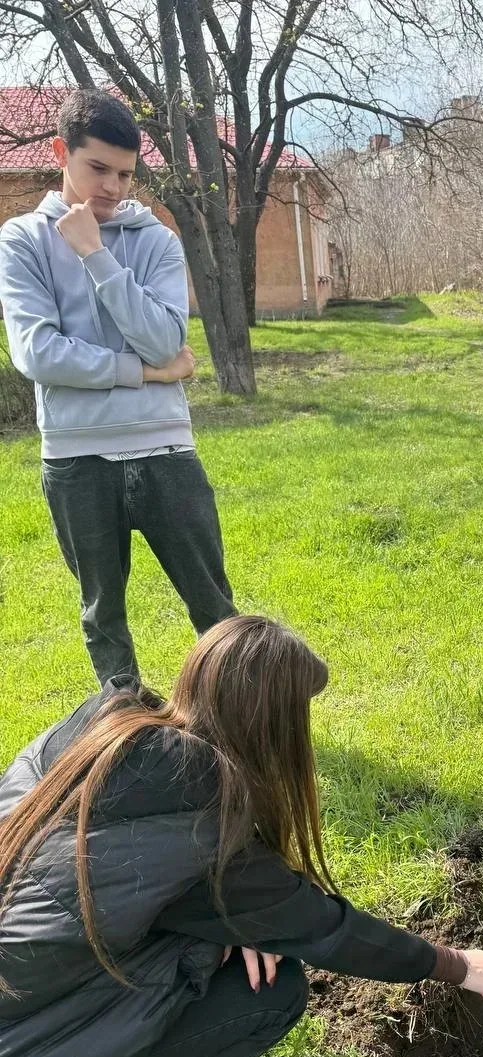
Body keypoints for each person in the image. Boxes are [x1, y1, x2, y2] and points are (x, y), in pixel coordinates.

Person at [0, 615, 483, 1057]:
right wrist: (455, 966)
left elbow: (101, 894)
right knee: (272, 991)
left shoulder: (100, 730)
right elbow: (329, 930)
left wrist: (223, 926)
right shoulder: (206, 829)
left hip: (19, 1010)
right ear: (271, 727)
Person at [0, 88, 235, 687]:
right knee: (104, 617)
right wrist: (145, 373)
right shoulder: (22, 240)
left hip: (167, 452)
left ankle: (242, 721)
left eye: (125, 173)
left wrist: (96, 256)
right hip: (77, 460)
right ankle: (124, 736)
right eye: (97, 168)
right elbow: (38, 353)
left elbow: (163, 337)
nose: (111, 186)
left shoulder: (155, 238)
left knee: (214, 608)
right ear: (62, 152)